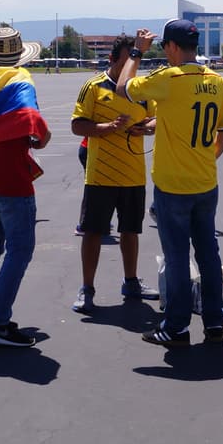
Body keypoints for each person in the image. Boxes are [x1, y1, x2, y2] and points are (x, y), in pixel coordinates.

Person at [117, 19, 223, 346]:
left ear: (171, 46)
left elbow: (123, 87)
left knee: (178, 257)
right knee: (209, 254)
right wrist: (210, 156)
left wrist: (136, 53)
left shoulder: (169, 77)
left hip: (173, 185)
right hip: (205, 182)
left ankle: (177, 327)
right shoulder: (217, 81)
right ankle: (214, 322)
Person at [0, 27, 51, 348]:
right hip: (10, 176)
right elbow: (31, 116)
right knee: (20, 248)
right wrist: (42, 137)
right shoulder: (19, 78)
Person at [69, 35, 159, 313]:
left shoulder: (141, 89)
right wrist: (106, 127)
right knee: (93, 232)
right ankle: (87, 288)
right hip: (101, 176)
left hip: (133, 175)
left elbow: (157, 118)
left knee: (130, 231)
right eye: (128, 58)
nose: (133, 65)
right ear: (112, 59)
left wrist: (147, 127)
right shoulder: (93, 87)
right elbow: (77, 125)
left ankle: (131, 282)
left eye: (137, 59)